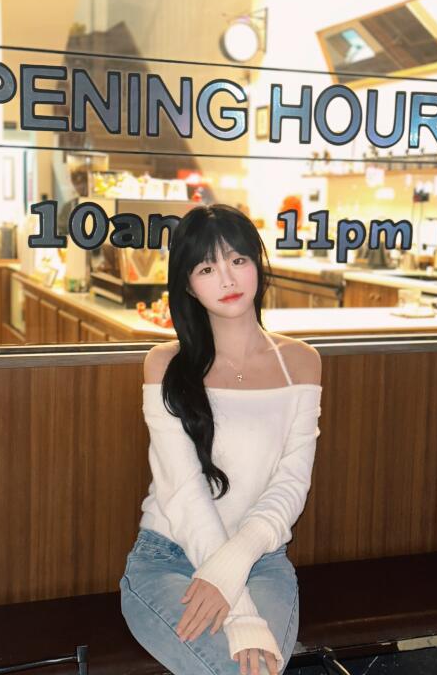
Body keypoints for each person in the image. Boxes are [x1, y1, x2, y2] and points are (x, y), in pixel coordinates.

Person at [119, 204, 322, 675]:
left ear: (258, 265)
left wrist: (233, 570)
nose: (227, 279)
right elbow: (182, 491)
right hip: (168, 560)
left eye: (237, 260)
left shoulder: (302, 362)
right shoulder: (165, 364)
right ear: (189, 285)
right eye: (207, 268)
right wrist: (241, 614)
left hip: (260, 560)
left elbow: (291, 483)